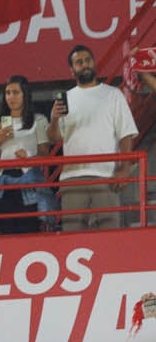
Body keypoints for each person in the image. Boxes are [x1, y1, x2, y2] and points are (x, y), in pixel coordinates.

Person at [48, 43, 140, 231]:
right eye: (79, 62)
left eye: (88, 60)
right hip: (72, 178)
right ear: (72, 70)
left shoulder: (113, 95)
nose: (85, 64)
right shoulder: (65, 98)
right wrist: (54, 120)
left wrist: (124, 168)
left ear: (94, 63)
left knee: (109, 235)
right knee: (73, 237)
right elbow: (53, 138)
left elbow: (126, 134)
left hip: (106, 176)